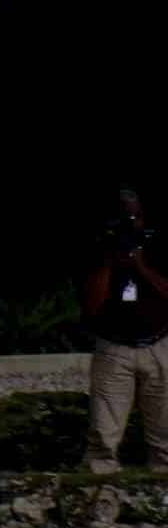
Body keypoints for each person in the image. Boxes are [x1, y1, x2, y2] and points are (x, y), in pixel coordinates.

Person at [83, 189, 168, 472]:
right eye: (123, 217)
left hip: (159, 345)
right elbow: (91, 306)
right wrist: (110, 262)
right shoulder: (99, 249)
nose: (130, 224)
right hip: (114, 348)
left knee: (165, 437)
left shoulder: (158, 246)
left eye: (135, 216)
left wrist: (140, 266)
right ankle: (99, 494)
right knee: (103, 437)